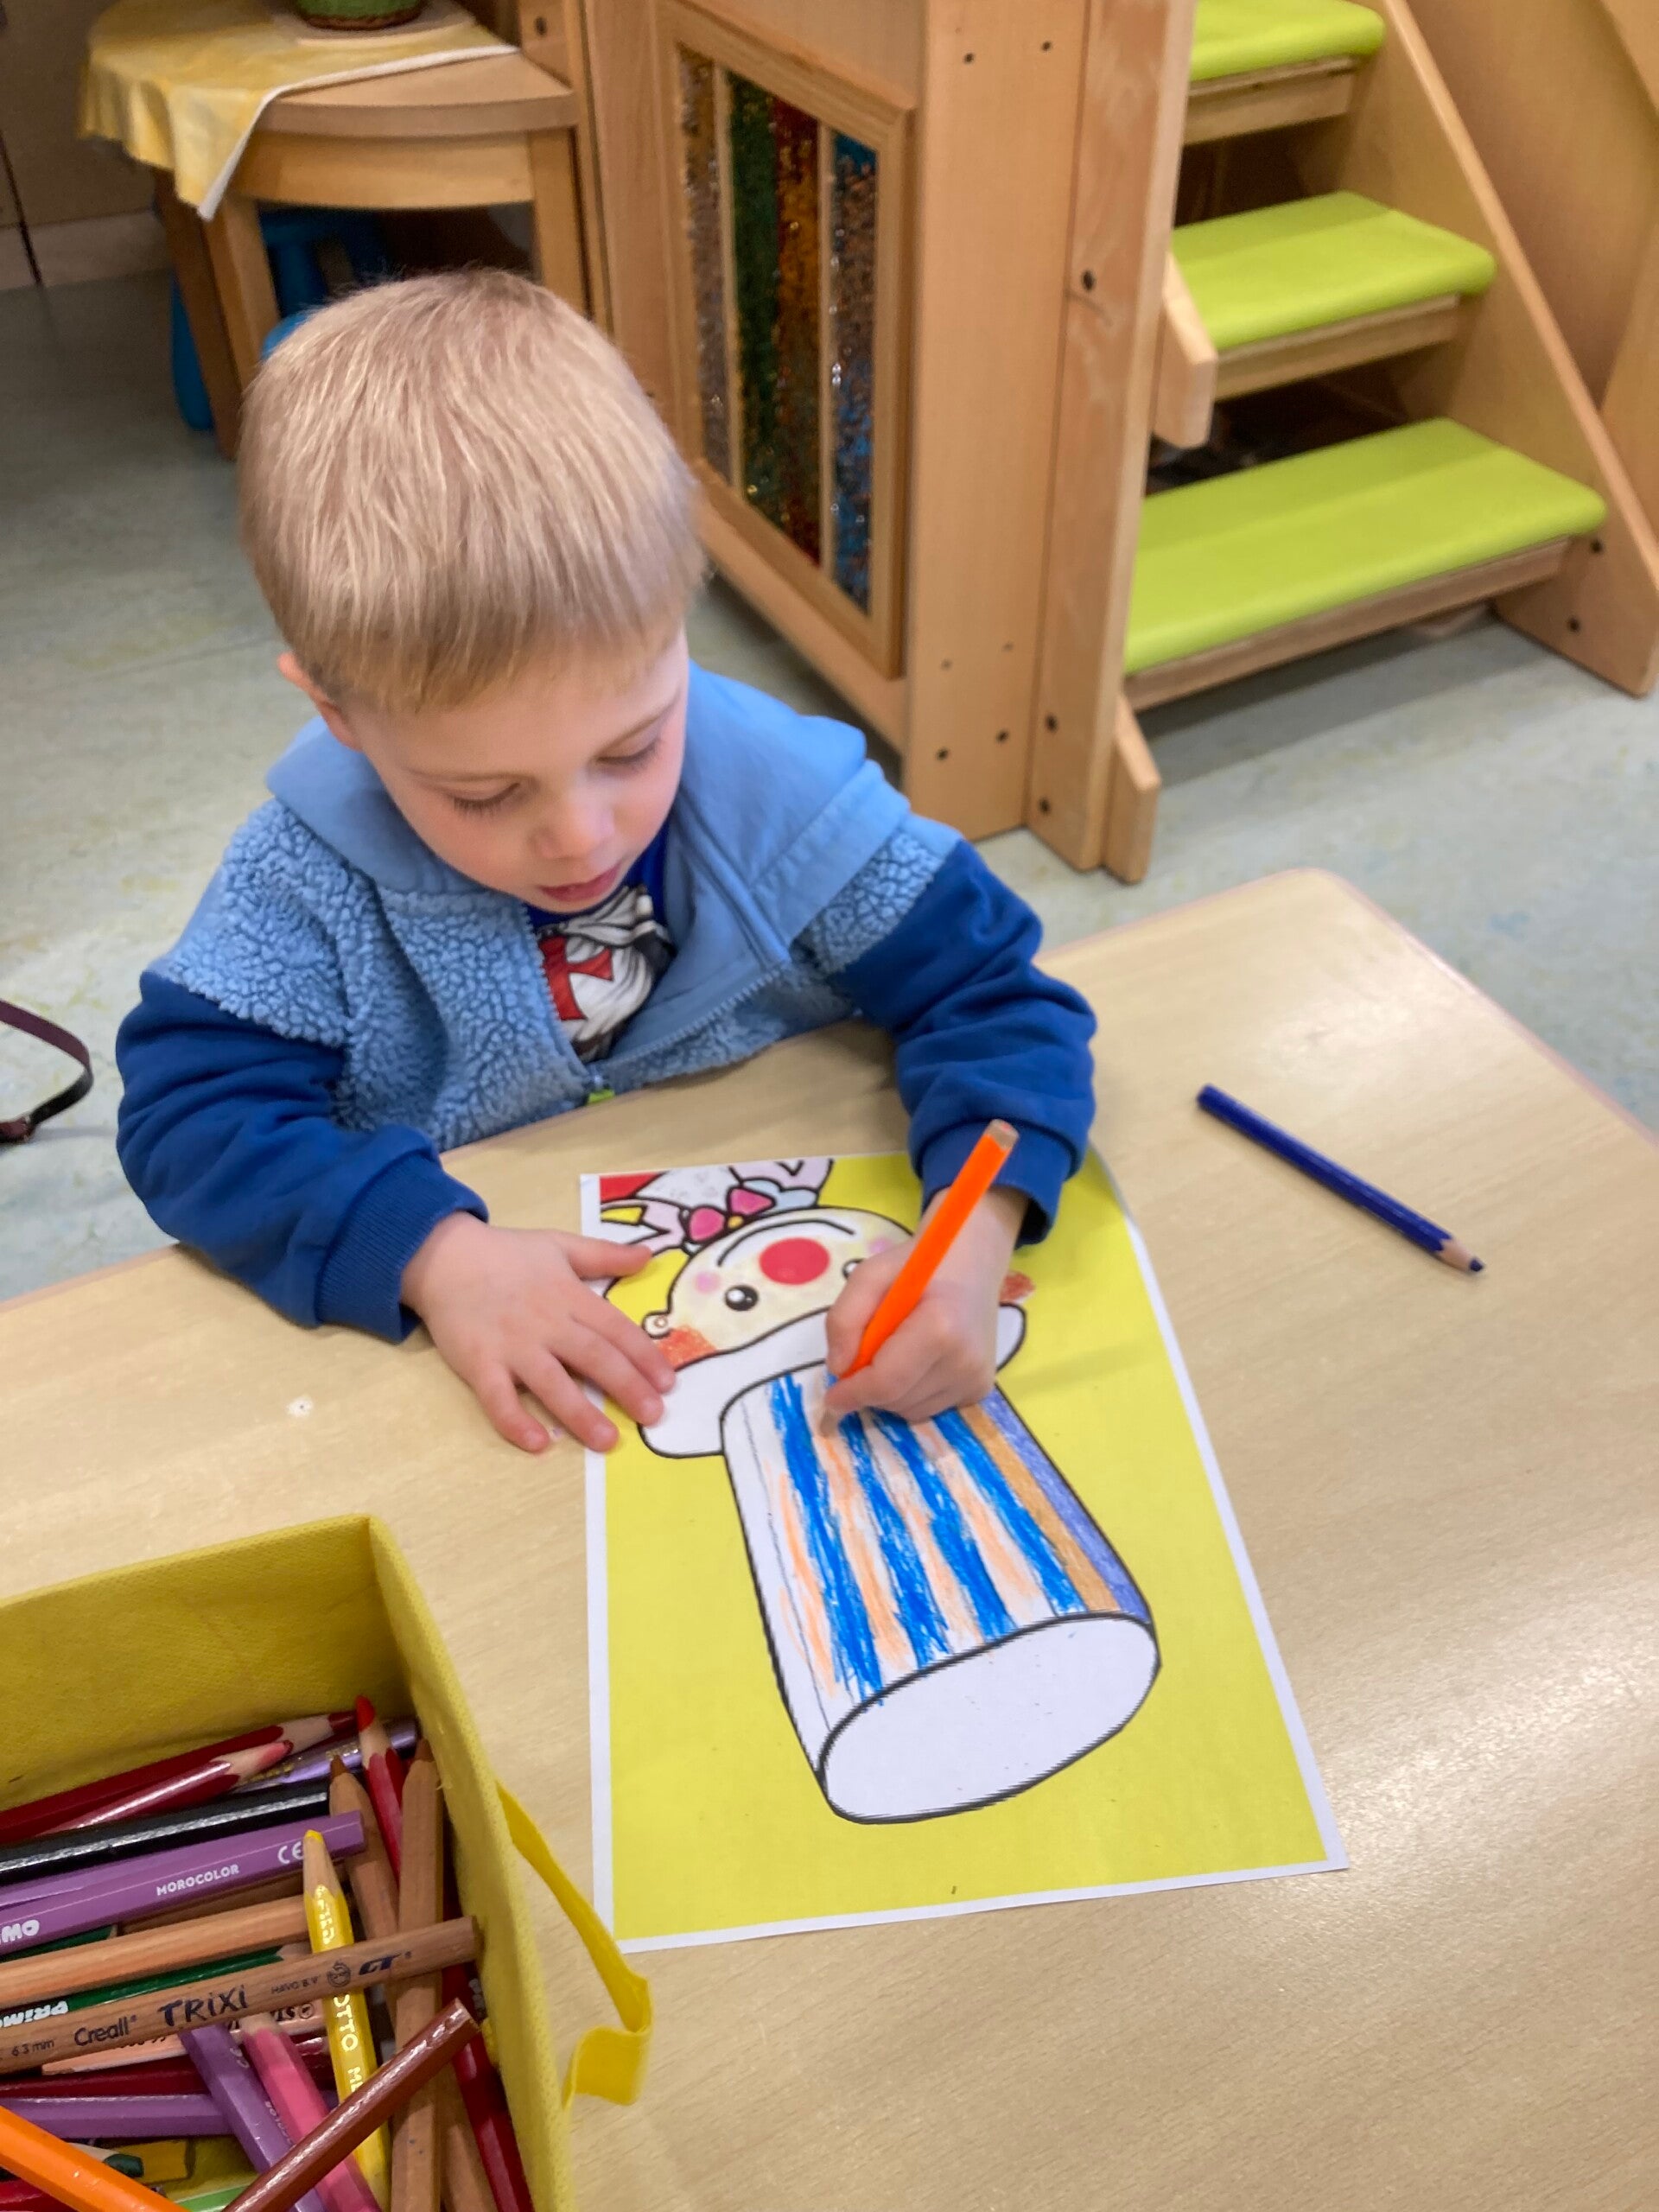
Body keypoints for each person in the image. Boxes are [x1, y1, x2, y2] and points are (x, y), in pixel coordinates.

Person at [116, 272, 1095, 1457]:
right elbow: (190, 1121)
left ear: (676, 630)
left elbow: (994, 998)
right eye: (484, 794)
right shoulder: (304, 880)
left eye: (631, 748)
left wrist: (974, 1234)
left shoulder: (784, 797)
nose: (581, 836)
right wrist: (433, 1254)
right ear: (339, 714)